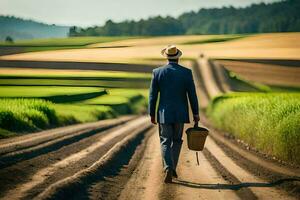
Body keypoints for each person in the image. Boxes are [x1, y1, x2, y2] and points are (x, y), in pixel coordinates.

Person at [148, 45, 200, 183]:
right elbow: (192, 95)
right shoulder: (186, 72)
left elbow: (153, 96)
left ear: (166, 57)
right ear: (178, 57)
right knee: (177, 141)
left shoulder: (157, 72)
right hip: (180, 114)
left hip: (164, 114)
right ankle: (172, 167)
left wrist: (152, 114)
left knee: (165, 140)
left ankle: (168, 167)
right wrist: (195, 113)